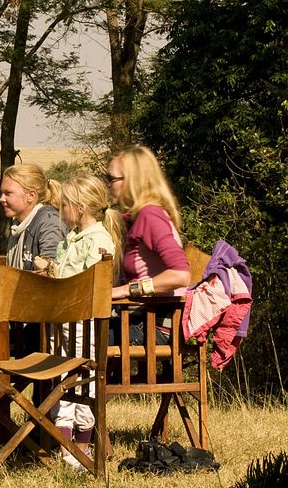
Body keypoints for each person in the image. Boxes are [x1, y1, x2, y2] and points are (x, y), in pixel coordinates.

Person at [35, 175, 124, 470]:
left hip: (83, 326)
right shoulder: (71, 238)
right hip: (63, 323)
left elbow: (92, 286)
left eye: (64, 205)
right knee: (62, 382)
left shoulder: (98, 240)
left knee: (83, 384)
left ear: (81, 207)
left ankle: (80, 448)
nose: (60, 210)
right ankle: (65, 448)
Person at [106, 145, 190, 344]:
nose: (108, 185)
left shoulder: (149, 215)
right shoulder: (135, 218)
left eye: (111, 179)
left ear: (132, 180)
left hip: (154, 326)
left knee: (83, 339)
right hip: (139, 319)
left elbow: (180, 274)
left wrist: (127, 290)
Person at [0, 163, 67, 271]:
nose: (1, 199)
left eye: (8, 193)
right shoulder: (19, 226)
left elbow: (51, 270)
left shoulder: (49, 222)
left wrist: (47, 265)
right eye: (2, 193)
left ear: (31, 195)